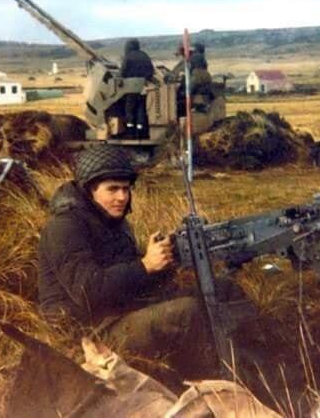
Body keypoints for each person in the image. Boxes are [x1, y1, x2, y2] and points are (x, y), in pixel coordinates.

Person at [38, 145, 203, 364]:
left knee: (220, 291)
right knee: (188, 311)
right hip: (87, 335)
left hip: (120, 314)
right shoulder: (64, 228)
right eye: (113, 189)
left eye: (126, 189)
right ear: (90, 190)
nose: (122, 197)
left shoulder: (115, 223)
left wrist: (166, 261)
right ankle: (212, 381)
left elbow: (132, 284)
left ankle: (251, 365)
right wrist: (144, 265)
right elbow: (89, 291)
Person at [121, 38, 155, 139]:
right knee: (141, 109)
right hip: (143, 88)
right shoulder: (145, 55)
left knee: (129, 110)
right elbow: (151, 71)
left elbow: (122, 72)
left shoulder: (128, 56)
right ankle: (141, 133)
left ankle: (131, 133)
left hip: (130, 88)